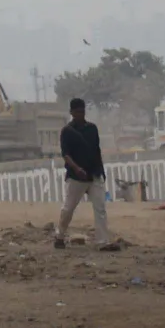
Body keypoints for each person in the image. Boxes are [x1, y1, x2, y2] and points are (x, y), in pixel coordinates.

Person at [52, 97, 112, 249]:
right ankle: (59, 236)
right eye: (78, 112)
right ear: (72, 112)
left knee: (100, 209)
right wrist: (77, 168)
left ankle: (102, 241)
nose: (81, 114)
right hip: (76, 177)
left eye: (83, 111)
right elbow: (66, 154)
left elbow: (97, 150)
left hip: (94, 174)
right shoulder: (67, 131)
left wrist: (102, 171)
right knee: (68, 209)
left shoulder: (92, 129)